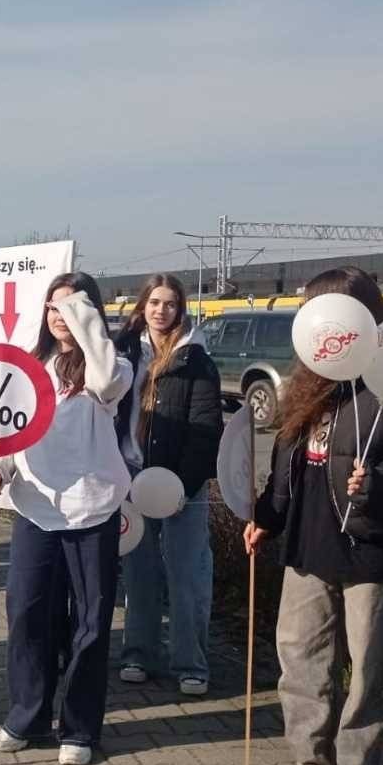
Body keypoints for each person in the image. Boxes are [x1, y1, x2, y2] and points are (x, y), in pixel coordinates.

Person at [246, 266, 383, 765]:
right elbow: (287, 461)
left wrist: (378, 486)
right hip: (308, 547)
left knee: (373, 671)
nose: (324, 324)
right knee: (301, 659)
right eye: (314, 310)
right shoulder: (310, 376)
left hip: (372, 550)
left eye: (334, 308)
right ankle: (315, 763)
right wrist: (268, 514)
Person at [0, 272, 133, 765]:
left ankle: (80, 728)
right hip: (35, 510)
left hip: (92, 510)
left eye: (69, 309)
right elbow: (2, 432)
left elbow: (107, 381)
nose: (58, 317)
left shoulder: (111, 367)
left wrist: (82, 315)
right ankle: (27, 715)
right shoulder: (25, 370)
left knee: (90, 622)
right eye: (51, 308)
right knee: (26, 614)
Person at [114, 274, 222, 696]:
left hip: (182, 490)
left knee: (187, 576)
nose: (162, 310)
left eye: (171, 303)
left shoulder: (196, 361)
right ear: (142, 307)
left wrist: (182, 486)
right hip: (132, 483)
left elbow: (204, 428)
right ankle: (138, 654)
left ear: (181, 309)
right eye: (154, 302)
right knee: (138, 575)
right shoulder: (124, 353)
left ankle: (190, 663)